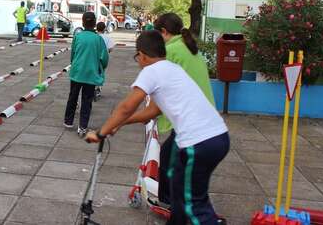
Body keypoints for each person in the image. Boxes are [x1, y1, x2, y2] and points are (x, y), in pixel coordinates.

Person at [85, 30, 229, 225]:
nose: (138, 61)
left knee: (193, 203)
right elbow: (152, 111)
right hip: (217, 137)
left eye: (137, 57)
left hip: (199, 142)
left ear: (142, 55)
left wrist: (101, 132)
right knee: (178, 188)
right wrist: (119, 124)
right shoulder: (171, 68)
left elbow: (127, 106)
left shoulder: (151, 71)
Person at [151, 12, 216, 207]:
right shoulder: (187, 47)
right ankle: (176, 201)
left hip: (192, 118)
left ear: (164, 32)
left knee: (170, 159)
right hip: (202, 115)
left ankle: (170, 201)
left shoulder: (172, 50)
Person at [63, 12, 109, 137]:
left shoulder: (78, 36)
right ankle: (82, 127)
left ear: (82, 22)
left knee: (73, 96)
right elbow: (104, 58)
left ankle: (68, 121)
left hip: (77, 72)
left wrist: (74, 64)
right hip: (91, 74)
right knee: (87, 100)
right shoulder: (98, 39)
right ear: (94, 24)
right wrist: (101, 68)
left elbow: (73, 54)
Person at [94, 21, 115, 100]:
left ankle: (93, 87)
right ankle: (98, 88)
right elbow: (111, 48)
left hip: (93, 57)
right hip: (103, 59)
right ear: (104, 28)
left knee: (94, 72)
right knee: (101, 73)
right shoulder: (107, 37)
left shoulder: (94, 36)